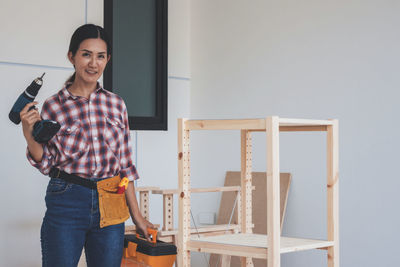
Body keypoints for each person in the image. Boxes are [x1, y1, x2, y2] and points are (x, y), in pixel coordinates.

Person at [19, 24, 154, 267]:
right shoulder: (54, 106)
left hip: (112, 198)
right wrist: (28, 134)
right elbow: (46, 163)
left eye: (100, 56)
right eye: (86, 54)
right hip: (67, 199)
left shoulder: (116, 104)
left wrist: (137, 216)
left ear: (107, 59)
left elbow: (125, 166)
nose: (93, 63)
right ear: (71, 57)